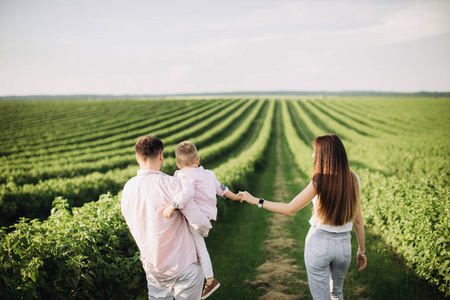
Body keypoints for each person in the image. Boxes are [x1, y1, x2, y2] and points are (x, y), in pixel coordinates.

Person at [239, 134, 367, 300]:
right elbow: (358, 220)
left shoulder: (319, 181)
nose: (313, 155)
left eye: (316, 152)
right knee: (337, 293)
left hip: (319, 244)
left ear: (325, 156)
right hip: (343, 247)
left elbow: (289, 209)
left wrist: (256, 200)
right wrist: (362, 251)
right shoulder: (354, 179)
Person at [121, 135, 213, 300]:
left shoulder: (128, 189)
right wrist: (205, 230)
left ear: (137, 157)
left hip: (154, 266)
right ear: (161, 155)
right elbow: (199, 222)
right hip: (185, 263)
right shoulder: (174, 185)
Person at [163, 141, 242, 299]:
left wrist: (172, 206)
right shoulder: (209, 174)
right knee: (199, 246)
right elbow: (222, 189)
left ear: (178, 164)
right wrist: (236, 197)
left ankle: (210, 280)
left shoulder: (181, 175)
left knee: (200, 248)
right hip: (207, 216)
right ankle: (206, 279)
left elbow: (186, 193)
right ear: (198, 160)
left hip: (197, 218)